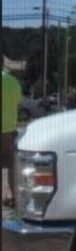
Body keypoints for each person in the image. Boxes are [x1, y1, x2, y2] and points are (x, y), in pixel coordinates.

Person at [2, 68, 23, 208]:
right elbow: (18, 102)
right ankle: (14, 198)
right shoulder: (13, 81)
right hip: (10, 131)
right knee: (11, 166)